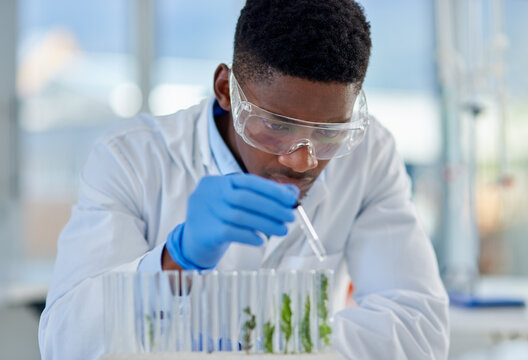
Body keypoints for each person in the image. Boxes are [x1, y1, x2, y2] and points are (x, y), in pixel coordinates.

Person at [39, 0, 449, 359]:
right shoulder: (131, 159)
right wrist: (175, 262)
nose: (302, 160)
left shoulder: (370, 154)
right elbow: (66, 343)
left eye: (328, 133)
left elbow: (418, 331)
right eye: (277, 125)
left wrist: (252, 346)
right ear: (225, 90)